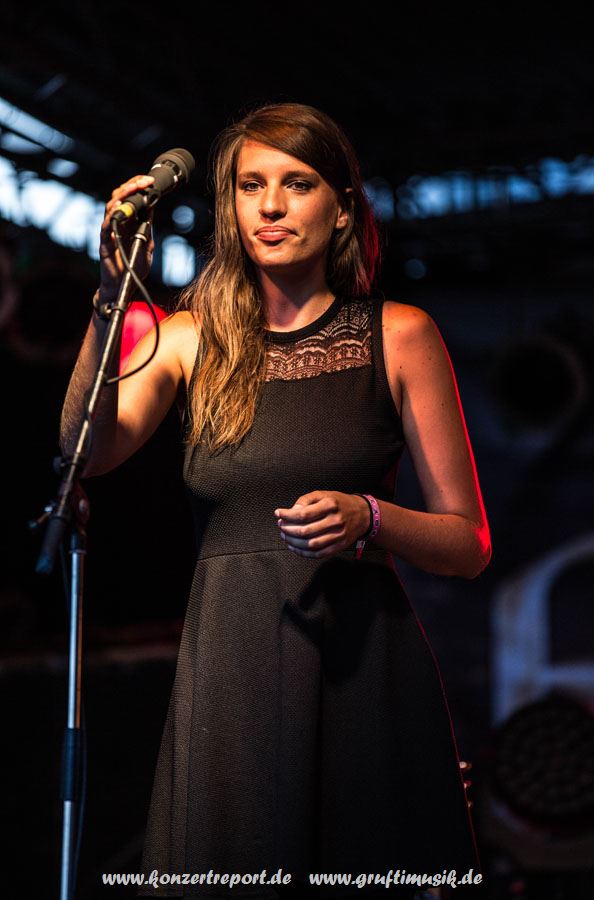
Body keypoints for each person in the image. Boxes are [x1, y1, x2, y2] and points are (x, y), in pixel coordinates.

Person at [59, 103, 491, 898]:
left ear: (341, 209)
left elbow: (468, 544)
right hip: (232, 669)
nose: (269, 205)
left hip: (360, 667)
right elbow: (86, 452)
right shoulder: (189, 337)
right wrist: (111, 294)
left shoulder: (399, 335)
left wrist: (372, 517)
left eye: (297, 183)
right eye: (250, 185)